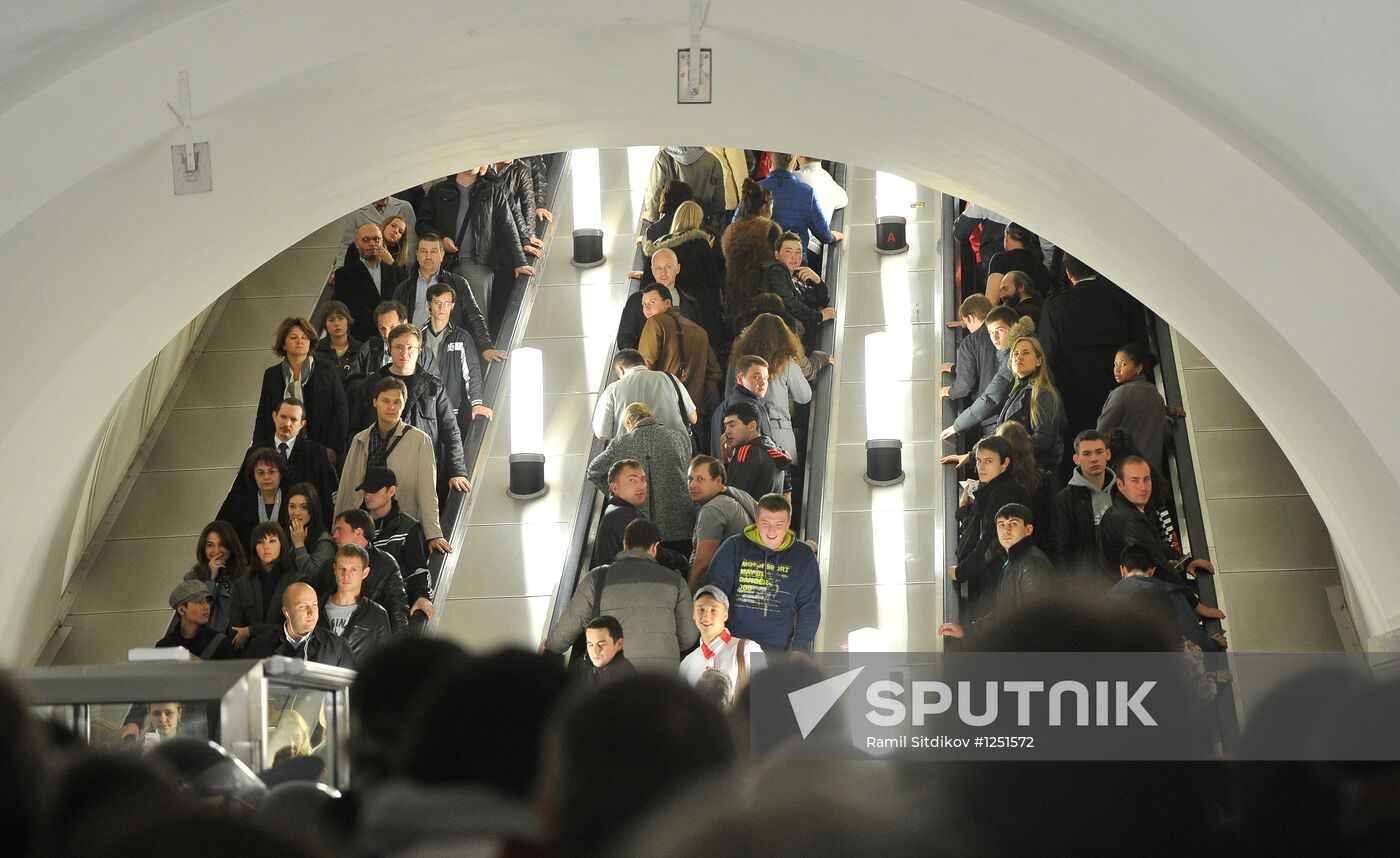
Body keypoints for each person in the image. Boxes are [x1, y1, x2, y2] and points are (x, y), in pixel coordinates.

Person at [545, 519, 697, 673]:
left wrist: (551, 648)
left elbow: (570, 624)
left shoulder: (597, 578)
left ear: (625, 544)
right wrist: (665, 646)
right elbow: (689, 636)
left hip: (613, 676)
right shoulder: (676, 581)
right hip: (662, 676)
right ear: (655, 547)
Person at [1037, 254, 1149, 456]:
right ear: (1096, 268)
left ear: (1068, 273)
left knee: (1086, 450)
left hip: (1075, 396)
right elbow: (1141, 348)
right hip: (1120, 389)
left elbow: (1049, 357)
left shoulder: (1054, 306)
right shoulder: (1123, 299)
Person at [349, 323, 469, 498]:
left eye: (410, 347)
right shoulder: (372, 383)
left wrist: (457, 471)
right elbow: (356, 428)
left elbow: (450, 430)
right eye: (398, 347)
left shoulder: (433, 387)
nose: (404, 353)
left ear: (419, 351)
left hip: (420, 467)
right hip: (378, 469)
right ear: (389, 349)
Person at [337, 376, 452, 549]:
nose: (391, 407)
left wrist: (433, 534)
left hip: (399, 527)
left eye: (397, 402)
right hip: (362, 526)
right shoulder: (360, 439)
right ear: (375, 402)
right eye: (385, 401)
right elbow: (347, 487)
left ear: (404, 405)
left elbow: (428, 491)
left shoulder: (420, 441)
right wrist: (338, 529)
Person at [1098, 457, 1220, 619]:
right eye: (1135, 481)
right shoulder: (1129, 519)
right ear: (1120, 485)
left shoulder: (1126, 508)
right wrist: (1197, 606)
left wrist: (1185, 560)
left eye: (1146, 479)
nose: (1143, 487)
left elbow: (1153, 543)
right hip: (1129, 603)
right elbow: (1159, 564)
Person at [706, 493, 820, 652]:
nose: (771, 531)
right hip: (733, 646)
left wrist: (800, 648)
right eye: (766, 523)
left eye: (779, 524)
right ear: (757, 520)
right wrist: (715, 639)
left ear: (788, 523)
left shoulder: (803, 556)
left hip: (777, 650)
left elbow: (809, 605)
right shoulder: (733, 547)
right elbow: (714, 594)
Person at [728, 312, 831, 485]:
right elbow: (804, 396)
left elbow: (729, 395)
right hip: (779, 435)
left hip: (746, 434)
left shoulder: (739, 363)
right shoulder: (786, 363)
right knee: (782, 487)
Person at [415, 168, 533, 319]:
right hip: (445, 264)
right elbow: (422, 224)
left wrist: (520, 262)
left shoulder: (492, 190)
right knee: (441, 317)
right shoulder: (438, 190)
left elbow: (508, 226)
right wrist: (441, 239)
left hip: (479, 264)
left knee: (478, 318)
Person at [586, 403, 696, 555]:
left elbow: (593, 471)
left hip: (642, 531)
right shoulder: (678, 438)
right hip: (681, 525)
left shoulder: (621, 443)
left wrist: (619, 494)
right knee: (680, 566)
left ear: (629, 422)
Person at [938, 503, 1055, 640]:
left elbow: (1039, 622)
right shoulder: (1013, 561)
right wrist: (966, 631)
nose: (1006, 530)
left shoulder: (1032, 564)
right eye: (1001, 525)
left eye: (1013, 524)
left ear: (1028, 530)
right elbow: (1003, 615)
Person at [390, 235, 504, 366]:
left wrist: (485, 346)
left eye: (433, 251)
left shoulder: (458, 283)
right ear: (417, 254)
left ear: (442, 255)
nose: (428, 256)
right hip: (413, 355)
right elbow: (394, 323)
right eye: (424, 251)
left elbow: (474, 316)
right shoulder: (403, 288)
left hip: (446, 353)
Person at [950, 437, 1034, 614]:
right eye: (979, 460)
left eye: (988, 461)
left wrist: (961, 572)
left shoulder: (1003, 493)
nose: (981, 467)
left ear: (1005, 463)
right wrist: (964, 510)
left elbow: (990, 543)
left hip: (997, 578)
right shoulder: (994, 488)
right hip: (996, 575)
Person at [252, 316, 347, 466]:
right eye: (293, 337)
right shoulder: (272, 375)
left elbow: (340, 411)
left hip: (320, 447)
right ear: (283, 344)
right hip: (281, 449)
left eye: (304, 337)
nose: (299, 341)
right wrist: (257, 451)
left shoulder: (327, 370)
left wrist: (333, 448)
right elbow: (263, 415)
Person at [229, 398, 337, 529]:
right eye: (283, 417)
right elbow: (238, 493)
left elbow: (324, 497)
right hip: (259, 526)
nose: (287, 423)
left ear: (302, 424)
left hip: (303, 529)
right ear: (274, 416)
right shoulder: (255, 451)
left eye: (293, 419)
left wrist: (327, 533)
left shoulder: (316, 453)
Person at [1103, 544, 1224, 653]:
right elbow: (1191, 632)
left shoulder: (1106, 598)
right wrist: (1213, 645)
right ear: (1152, 571)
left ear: (1122, 570)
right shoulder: (1168, 593)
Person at [639, 201, 726, 345]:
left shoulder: (660, 245)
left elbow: (647, 282)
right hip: (700, 308)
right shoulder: (700, 242)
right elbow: (713, 279)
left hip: (666, 305)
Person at [360, 466, 435, 621]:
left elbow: (418, 570)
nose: (367, 495)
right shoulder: (354, 525)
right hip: (360, 608)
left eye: (373, 491)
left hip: (393, 609)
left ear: (391, 491)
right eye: (366, 490)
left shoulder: (408, 527)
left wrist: (422, 596)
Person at [940, 307, 1025, 443]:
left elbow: (992, 397)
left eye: (1000, 330)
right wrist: (956, 368)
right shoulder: (1017, 349)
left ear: (1013, 328)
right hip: (1008, 418)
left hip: (1001, 420)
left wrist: (957, 425)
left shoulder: (1014, 359)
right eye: (991, 332)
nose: (994, 337)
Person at [588, 459, 687, 573]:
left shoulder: (615, 510)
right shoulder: (623, 514)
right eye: (632, 480)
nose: (641, 486)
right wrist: (682, 560)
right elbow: (650, 551)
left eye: (643, 480)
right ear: (614, 488)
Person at [744, 152, 843, 265]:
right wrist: (832, 237)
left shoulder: (754, 190)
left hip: (762, 260)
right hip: (795, 263)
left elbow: (737, 224)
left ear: (770, 162)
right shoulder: (807, 192)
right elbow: (822, 233)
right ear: (794, 164)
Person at [420, 282, 491, 436]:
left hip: (451, 410)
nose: (442, 307)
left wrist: (477, 403)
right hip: (421, 410)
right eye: (437, 303)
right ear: (429, 304)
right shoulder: (417, 338)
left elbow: (472, 373)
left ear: (453, 306)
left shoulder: (462, 338)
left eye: (446, 303)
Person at [637, 278, 721, 409]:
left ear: (668, 303)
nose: (646, 308)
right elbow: (715, 372)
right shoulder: (700, 332)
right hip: (695, 410)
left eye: (652, 302)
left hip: (664, 407)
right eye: (644, 304)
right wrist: (697, 397)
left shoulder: (655, 322)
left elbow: (644, 367)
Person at [324, 508, 412, 631]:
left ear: (358, 533)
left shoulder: (386, 564)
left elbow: (397, 608)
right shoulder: (330, 564)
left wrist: (399, 640)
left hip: (371, 635)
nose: (334, 536)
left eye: (340, 530)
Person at [1098, 342, 1173, 475]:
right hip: (1152, 474)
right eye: (1115, 364)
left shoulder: (1121, 394)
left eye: (1123, 364)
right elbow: (1165, 434)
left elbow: (1100, 432)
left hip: (1126, 473)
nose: (1117, 369)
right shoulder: (1155, 394)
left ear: (1139, 368)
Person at [1050, 430, 1117, 576]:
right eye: (1087, 454)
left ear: (1108, 454)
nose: (1094, 459)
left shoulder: (1122, 490)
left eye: (1099, 452)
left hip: (1123, 576)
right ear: (1076, 459)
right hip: (1087, 583)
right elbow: (1061, 551)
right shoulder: (1064, 500)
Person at [686, 455, 758, 590]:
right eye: (690, 479)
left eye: (700, 479)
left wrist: (689, 595)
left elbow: (702, 565)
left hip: (723, 589)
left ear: (718, 481)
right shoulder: (739, 494)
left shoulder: (712, 509)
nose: (692, 485)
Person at [228, 521, 303, 650]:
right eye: (260, 542)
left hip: (285, 653)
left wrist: (252, 630)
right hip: (250, 653)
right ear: (254, 547)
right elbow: (235, 630)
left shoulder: (296, 581)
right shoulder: (242, 583)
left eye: (272, 541)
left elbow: (295, 627)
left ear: (282, 544)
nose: (266, 547)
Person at [245, 582, 356, 668]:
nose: (311, 612)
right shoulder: (260, 646)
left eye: (314, 605)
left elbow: (352, 688)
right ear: (287, 612)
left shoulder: (337, 647)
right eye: (302, 606)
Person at [592, 349, 696, 440]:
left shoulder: (612, 390)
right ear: (645, 364)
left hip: (631, 454)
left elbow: (601, 433)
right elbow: (693, 418)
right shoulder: (669, 378)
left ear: (621, 369)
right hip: (674, 451)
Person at [616, 241, 702, 351]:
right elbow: (625, 338)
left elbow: (699, 339)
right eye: (658, 268)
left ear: (678, 268)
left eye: (668, 266)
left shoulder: (690, 303)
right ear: (652, 270)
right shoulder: (636, 301)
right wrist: (640, 360)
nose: (663, 272)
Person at [996, 335, 1065, 471]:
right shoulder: (1016, 392)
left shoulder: (1042, 393)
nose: (1019, 357)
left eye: (1026, 353)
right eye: (1015, 353)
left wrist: (1006, 452)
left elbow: (1044, 439)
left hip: (1033, 472)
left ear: (1039, 361)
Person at [330, 223, 409, 342]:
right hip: (361, 340)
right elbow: (348, 310)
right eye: (366, 239)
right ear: (357, 244)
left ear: (382, 242)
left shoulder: (396, 272)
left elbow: (405, 302)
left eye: (376, 239)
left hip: (395, 338)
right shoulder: (344, 274)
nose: (372, 243)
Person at [678, 584, 763, 693]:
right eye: (701, 610)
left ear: (725, 615)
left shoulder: (750, 649)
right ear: (693, 614)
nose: (706, 616)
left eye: (713, 610)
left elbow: (769, 692)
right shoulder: (687, 664)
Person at [722, 179, 782, 325]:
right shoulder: (769, 229)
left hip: (735, 297)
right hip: (763, 298)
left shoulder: (731, 229)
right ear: (765, 207)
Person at [318, 543, 391, 663]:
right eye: (342, 568)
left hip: (356, 675)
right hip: (317, 674)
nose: (346, 575)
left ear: (365, 573)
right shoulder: (315, 608)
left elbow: (385, 661)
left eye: (353, 569)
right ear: (335, 569)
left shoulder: (377, 615)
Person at [762, 230, 836, 348]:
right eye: (788, 251)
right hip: (778, 341)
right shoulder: (776, 271)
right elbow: (790, 304)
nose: (794, 257)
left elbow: (820, 300)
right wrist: (819, 316)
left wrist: (817, 281)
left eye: (798, 252)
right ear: (777, 254)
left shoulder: (795, 275)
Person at [215, 446, 289, 553]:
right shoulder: (240, 504)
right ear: (253, 475)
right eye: (261, 473)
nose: (266, 477)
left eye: (272, 472)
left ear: (280, 474)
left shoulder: (292, 501)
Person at [178, 521, 247, 636]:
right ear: (203, 548)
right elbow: (196, 614)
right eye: (210, 545)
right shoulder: (192, 579)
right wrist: (211, 578)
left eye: (221, 544)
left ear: (231, 546)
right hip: (206, 642)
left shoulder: (246, 576)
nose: (216, 551)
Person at [720, 400, 790, 501]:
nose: (727, 432)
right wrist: (727, 460)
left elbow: (731, 497)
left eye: (732, 425)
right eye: (726, 426)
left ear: (752, 426)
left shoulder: (747, 451)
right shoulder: (772, 448)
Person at [641, 146, 726, 227]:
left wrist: (653, 217)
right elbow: (719, 200)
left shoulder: (662, 159)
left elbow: (653, 194)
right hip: (702, 222)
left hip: (671, 225)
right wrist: (715, 223)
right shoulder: (712, 161)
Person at [709, 354, 775, 457]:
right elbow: (766, 448)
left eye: (766, 378)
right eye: (756, 377)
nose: (763, 383)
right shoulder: (752, 407)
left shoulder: (720, 409)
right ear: (740, 378)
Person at [155, 580, 239, 660]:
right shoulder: (164, 647)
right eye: (200, 602)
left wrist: (202, 666)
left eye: (207, 601)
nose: (207, 607)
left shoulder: (221, 643)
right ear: (182, 610)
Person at [941, 295, 997, 411]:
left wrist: (950, 391)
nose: (967, 328)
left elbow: (966, 383)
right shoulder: (1002, 333)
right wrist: (955, 368)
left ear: (972, 318)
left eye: (967, 323)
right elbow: (988, 364)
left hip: (988, 409)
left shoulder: (970, 342)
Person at [337, 196, 417, 266]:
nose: (395, 231)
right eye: (392, 225)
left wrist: (403, 271)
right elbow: (346, 245)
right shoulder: (356, 210)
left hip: (396, 268)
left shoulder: (405, 207)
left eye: (400, 231)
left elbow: (411, 243)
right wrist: (338, 270)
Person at [986, 222, 1051, 302]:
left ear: (1007, 236)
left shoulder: (1000, 260)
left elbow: (992, 299)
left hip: (1008, 310)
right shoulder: (1041, 266)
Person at [284, 483, 334, 582]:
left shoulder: (324, 542)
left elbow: (314, 578)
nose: (296, 513)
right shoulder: (286, 533)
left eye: (304, 507)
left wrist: (299, 545)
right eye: (292, 506)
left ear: (313, 510)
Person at [314, 300, 362, 384]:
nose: (336, 323)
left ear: (348, 321)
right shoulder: (316, 350)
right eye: (331, 320)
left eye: (341, 318)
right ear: (325, 324)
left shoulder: (362, 349)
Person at [581, 615, 637, 686]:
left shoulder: (620, 681)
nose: (595, 650)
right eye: (590, 644)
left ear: (619, 644)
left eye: (601, 644)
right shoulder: (588, 668)